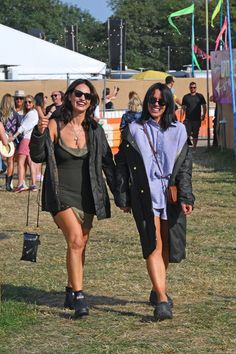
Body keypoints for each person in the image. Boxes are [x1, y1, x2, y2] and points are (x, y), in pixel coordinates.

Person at [29, 79, 116, 319]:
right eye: (78, 94)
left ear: (92, 102)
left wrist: (121, 194)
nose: (82, 98)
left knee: (80, 243)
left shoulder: (95, 131)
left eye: (87, 96)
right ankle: (79, 296)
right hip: (60, 194)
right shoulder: (55, 124)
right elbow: (37, 156)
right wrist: (39, 131)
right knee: (76, 240)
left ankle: (69, 288)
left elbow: (108, 163)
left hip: (88, 196)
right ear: (69, 96)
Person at [115, 82, 194, 322]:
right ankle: (161, 298)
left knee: (168, 248)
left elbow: (184, 168)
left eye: (161, 101)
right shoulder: (133, 128)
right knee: (153, 245)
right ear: (146, 102)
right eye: (152, 100)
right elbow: (122, 164)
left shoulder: (179, 130)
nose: (156, 104)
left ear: (168, 103)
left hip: (169, 195)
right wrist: (122, 195)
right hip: (143, 195)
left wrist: (186, 195)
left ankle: (157, 285)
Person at [9, 95, 39, 192]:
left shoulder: (31, 114)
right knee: (30, 162)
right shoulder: (34, 113)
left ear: (33, 103)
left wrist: (13, 136)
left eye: (29, 102)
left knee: (21, 162)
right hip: (32, 140)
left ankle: (21, 184)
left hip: (26, 139)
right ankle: (33, 184)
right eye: (26, 102)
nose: (27, 103)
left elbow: (23, 127)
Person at [0, 93, 21, 191]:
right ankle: (8, 184)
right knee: (10, 161)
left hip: (1, 139)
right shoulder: (16, 115)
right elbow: (19, 127)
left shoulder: (0, 113)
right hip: (12, 141)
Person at [182, 82, 206, 150]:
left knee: (195, 134)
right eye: (191, 87)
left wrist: (204, 114)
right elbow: (183, 108)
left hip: (197, 119)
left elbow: (204, 106)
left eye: (194, 87)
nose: (193, 89)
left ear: (196, 88)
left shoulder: (200, 96)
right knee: (187, 134)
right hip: (188, 119)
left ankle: (194, 147)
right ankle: (187, 147)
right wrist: (181, 118)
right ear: (189, 88)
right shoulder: (186, 97)